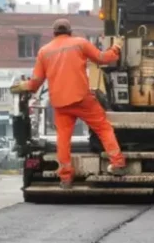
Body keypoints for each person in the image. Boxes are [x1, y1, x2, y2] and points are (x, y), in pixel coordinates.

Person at [10, 19, 126, 188]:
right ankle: (117, 163)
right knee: (103, 128)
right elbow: (103, 59)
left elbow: (35, 83)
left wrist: (22, 86)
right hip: (82, 99)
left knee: (63, 139)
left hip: (61, 103)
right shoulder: (80, 43)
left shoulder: (44, 52)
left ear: (54, 33)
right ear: (70, 32)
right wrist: (116, 47)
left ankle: (65, 178)